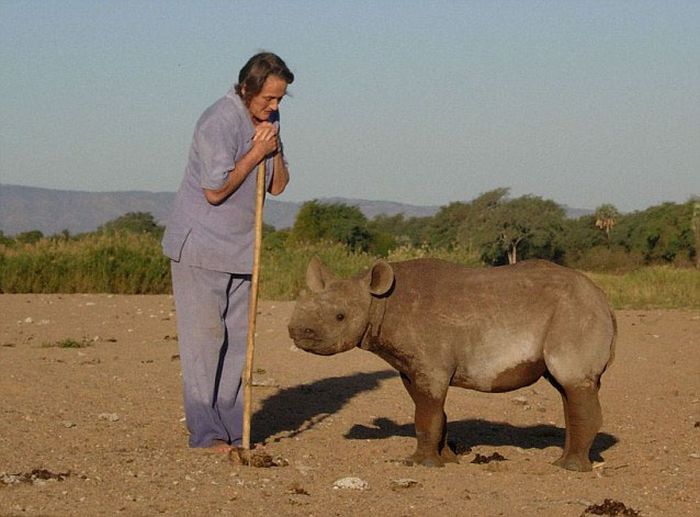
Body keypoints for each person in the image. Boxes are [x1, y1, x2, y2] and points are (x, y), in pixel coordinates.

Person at [161, 52, 294, 451]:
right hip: (201, 248)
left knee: (237, 344)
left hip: (241, 251)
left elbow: (278, 186)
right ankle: (207, 434)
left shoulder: (269, 121)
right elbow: (215, 190)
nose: (273, 106)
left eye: (280, 100)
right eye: (268, 99)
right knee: (205, 344)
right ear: (246, 88)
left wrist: (274, 148)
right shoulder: (218, 121)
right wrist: (254, 153)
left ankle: (236, 429)